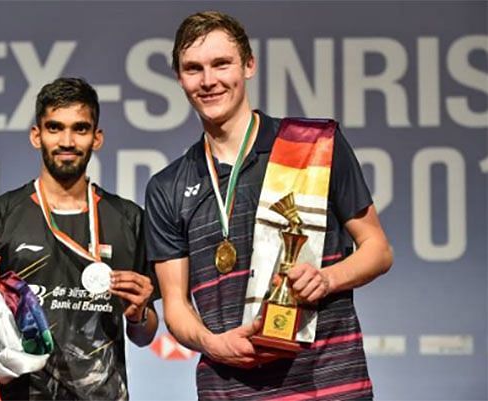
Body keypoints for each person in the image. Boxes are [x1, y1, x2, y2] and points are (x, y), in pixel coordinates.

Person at [145, 11, 393, 400]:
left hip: (327, 383)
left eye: (221, 64)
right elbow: (175, 307)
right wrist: (212, 343)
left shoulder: (313, 146)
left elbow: (378, 250)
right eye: (193, 69)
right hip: (229, 389)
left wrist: (327, 279)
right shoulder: (167, 187)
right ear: (179, 77)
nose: (208, 81)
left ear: (248, 65)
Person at [0, 77, 158, 400]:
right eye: (54, 128)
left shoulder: (129, 219)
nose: (67, 141)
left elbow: (144, 334)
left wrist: (139, 315)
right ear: (36, 136)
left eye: (80, 129)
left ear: (97, 137)